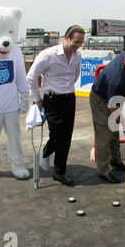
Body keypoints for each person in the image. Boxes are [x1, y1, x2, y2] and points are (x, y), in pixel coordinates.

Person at [27, 25, 85, 186]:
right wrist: (37, 99)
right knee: (57, 136)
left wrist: (66, 89)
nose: (77, 45)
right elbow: (31, 77)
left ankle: (59, 172)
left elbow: (76, 74)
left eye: (80, 42)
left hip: (69, 99)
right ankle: (46, 152)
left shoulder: (77, 55)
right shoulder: (48, 55)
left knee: (66, 138)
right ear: (66, 37)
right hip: (52, 100)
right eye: (75, 41)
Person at [90, 45, 125, 183]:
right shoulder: (116, 79)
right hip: (102, 101)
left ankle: (115, 160)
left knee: (114, 131)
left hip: (114, 99)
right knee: (104, 136)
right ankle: (103, 171)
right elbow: (111, 106)